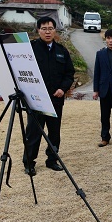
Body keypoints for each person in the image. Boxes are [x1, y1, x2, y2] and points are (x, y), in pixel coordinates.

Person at [23, 16, 75, 175]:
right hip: (36, 100)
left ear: (55, 30)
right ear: (38, 30)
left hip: (56, 99)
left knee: (54, 132)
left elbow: (69, 73)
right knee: (33, 132)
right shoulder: (30, 49)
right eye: (44, 29)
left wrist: (63, 88)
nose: (47, 32)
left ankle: (52, 159)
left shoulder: (61, 50)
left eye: (50, 28)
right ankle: (29, 163)